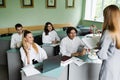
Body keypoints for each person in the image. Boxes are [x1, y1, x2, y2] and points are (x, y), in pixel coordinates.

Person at [96, 5, 120, 80]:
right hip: (117, 67)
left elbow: (102, 55)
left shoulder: (108, 32)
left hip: (108, 68)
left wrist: (97, 51)